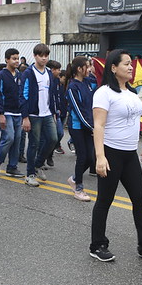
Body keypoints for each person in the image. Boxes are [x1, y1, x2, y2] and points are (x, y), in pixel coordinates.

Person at [89, 50, 142, 263]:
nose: (131, 67)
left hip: (130, 154)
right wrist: (100, 157)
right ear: (114, 68)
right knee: (105, 200)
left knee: (139, 198)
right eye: (127, 64)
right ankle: (97, 245)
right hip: (111, 153)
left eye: (132, 64)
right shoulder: (104, 93)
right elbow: (99, 125)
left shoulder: (130, 94)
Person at [19, 43, 57, 187]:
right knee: (33, 144)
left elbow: (51, 94)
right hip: (34, 114)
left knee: (53, 138)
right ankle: (30, 174)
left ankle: (38, 163)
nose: (44, 58)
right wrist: (25, 117)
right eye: (41, 56)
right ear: (35, 56)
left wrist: (53, 112)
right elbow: (23, 95)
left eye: (46, 56)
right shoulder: (28, 73)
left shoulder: (48, 73)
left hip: (47, 113)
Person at [64, 56, 95, 201]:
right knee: (82, 156)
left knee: (91, 158)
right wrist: (92, 127)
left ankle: (74, 178)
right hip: (77, 126)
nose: (89, 69)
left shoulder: (88, 83)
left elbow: (102, 81)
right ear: (79, 69)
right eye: (87, 66)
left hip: (89, 126)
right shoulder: (72, 87)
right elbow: (79, 110)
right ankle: (79, 189)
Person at [0, 48, 24, 179]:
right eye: (14, 58)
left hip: (18, 113)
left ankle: (12, 167)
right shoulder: (1, 75)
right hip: (6, 112)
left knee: (17, 140)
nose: (17, 61)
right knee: (9, 137)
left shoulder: (20, 75)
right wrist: (1, 114)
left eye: (18, 58)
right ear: (7, 60)